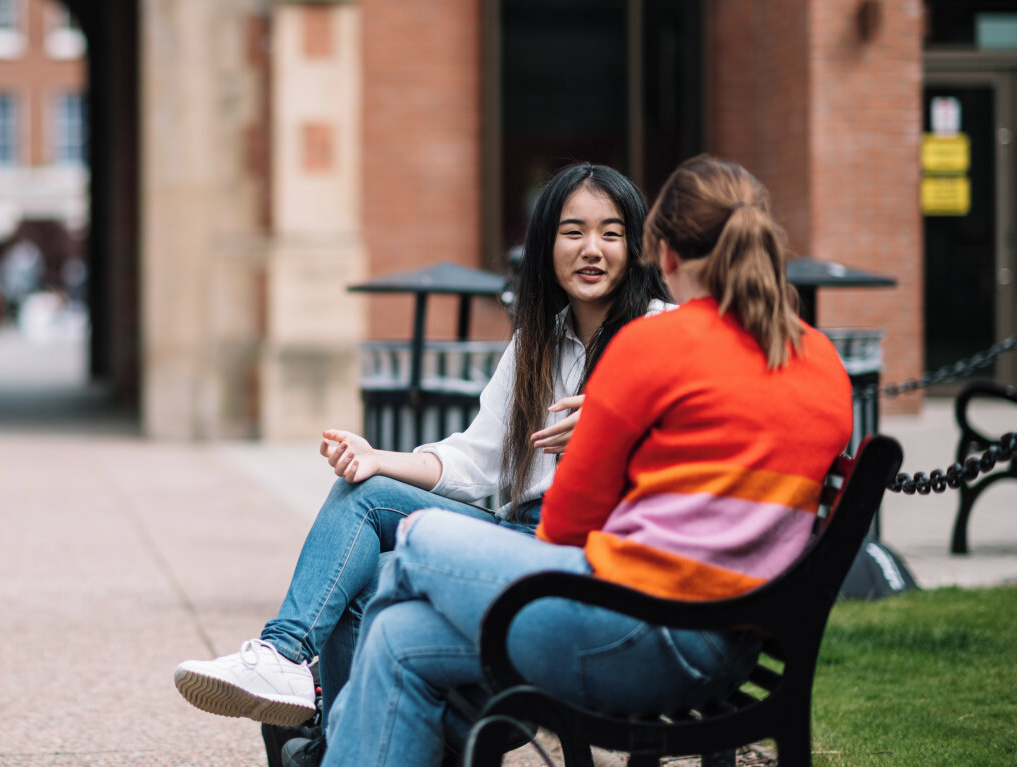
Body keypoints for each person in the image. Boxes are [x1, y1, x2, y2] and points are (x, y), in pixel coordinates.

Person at [316, 155, 855, 767]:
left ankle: (315, 701)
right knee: (397, 635)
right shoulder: (822, 360)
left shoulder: (648, 346)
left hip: (640, 631)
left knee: (413, 543)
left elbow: (564, 532)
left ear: (665, 256)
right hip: (735, 649)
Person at [171, 163, 672, 732]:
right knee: (365, 497)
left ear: (635, 247)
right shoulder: (536, 344)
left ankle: (323, 721)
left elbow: (703, 436)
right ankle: (290, 667)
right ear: (545, 245)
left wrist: (616, 425)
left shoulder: (664, 335)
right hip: (517, 532)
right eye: (573, 231)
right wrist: (379, 458)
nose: (592, 249)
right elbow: (474, 461)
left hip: (586, 552)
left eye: (611, 233)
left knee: (376, 575)